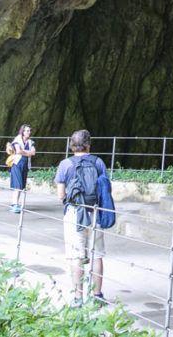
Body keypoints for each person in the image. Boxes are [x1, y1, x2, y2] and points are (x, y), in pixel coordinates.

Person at [56, 129, 108, 306]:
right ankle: (97, 295)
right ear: (88, 145)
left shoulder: (65, 164)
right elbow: (106, 190)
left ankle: (78, 298)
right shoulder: (98, 162)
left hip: (74, 213)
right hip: (95, 213)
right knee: (96, 255)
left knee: (76, 256)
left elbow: (60, 194)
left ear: (72, 146)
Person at [6, 124, 36, 213]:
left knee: (21, 185)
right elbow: (18, 151)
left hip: (25, 164)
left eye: (29, 131)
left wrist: (24, 152)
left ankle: (16, 203)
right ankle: (14, 204)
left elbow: (33, 152)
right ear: (22, 131)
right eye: (26, 131)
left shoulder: (30, 142)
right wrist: (28, 152)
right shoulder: (17, 140)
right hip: (17, 164)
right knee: (17, 184)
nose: (28, 132)